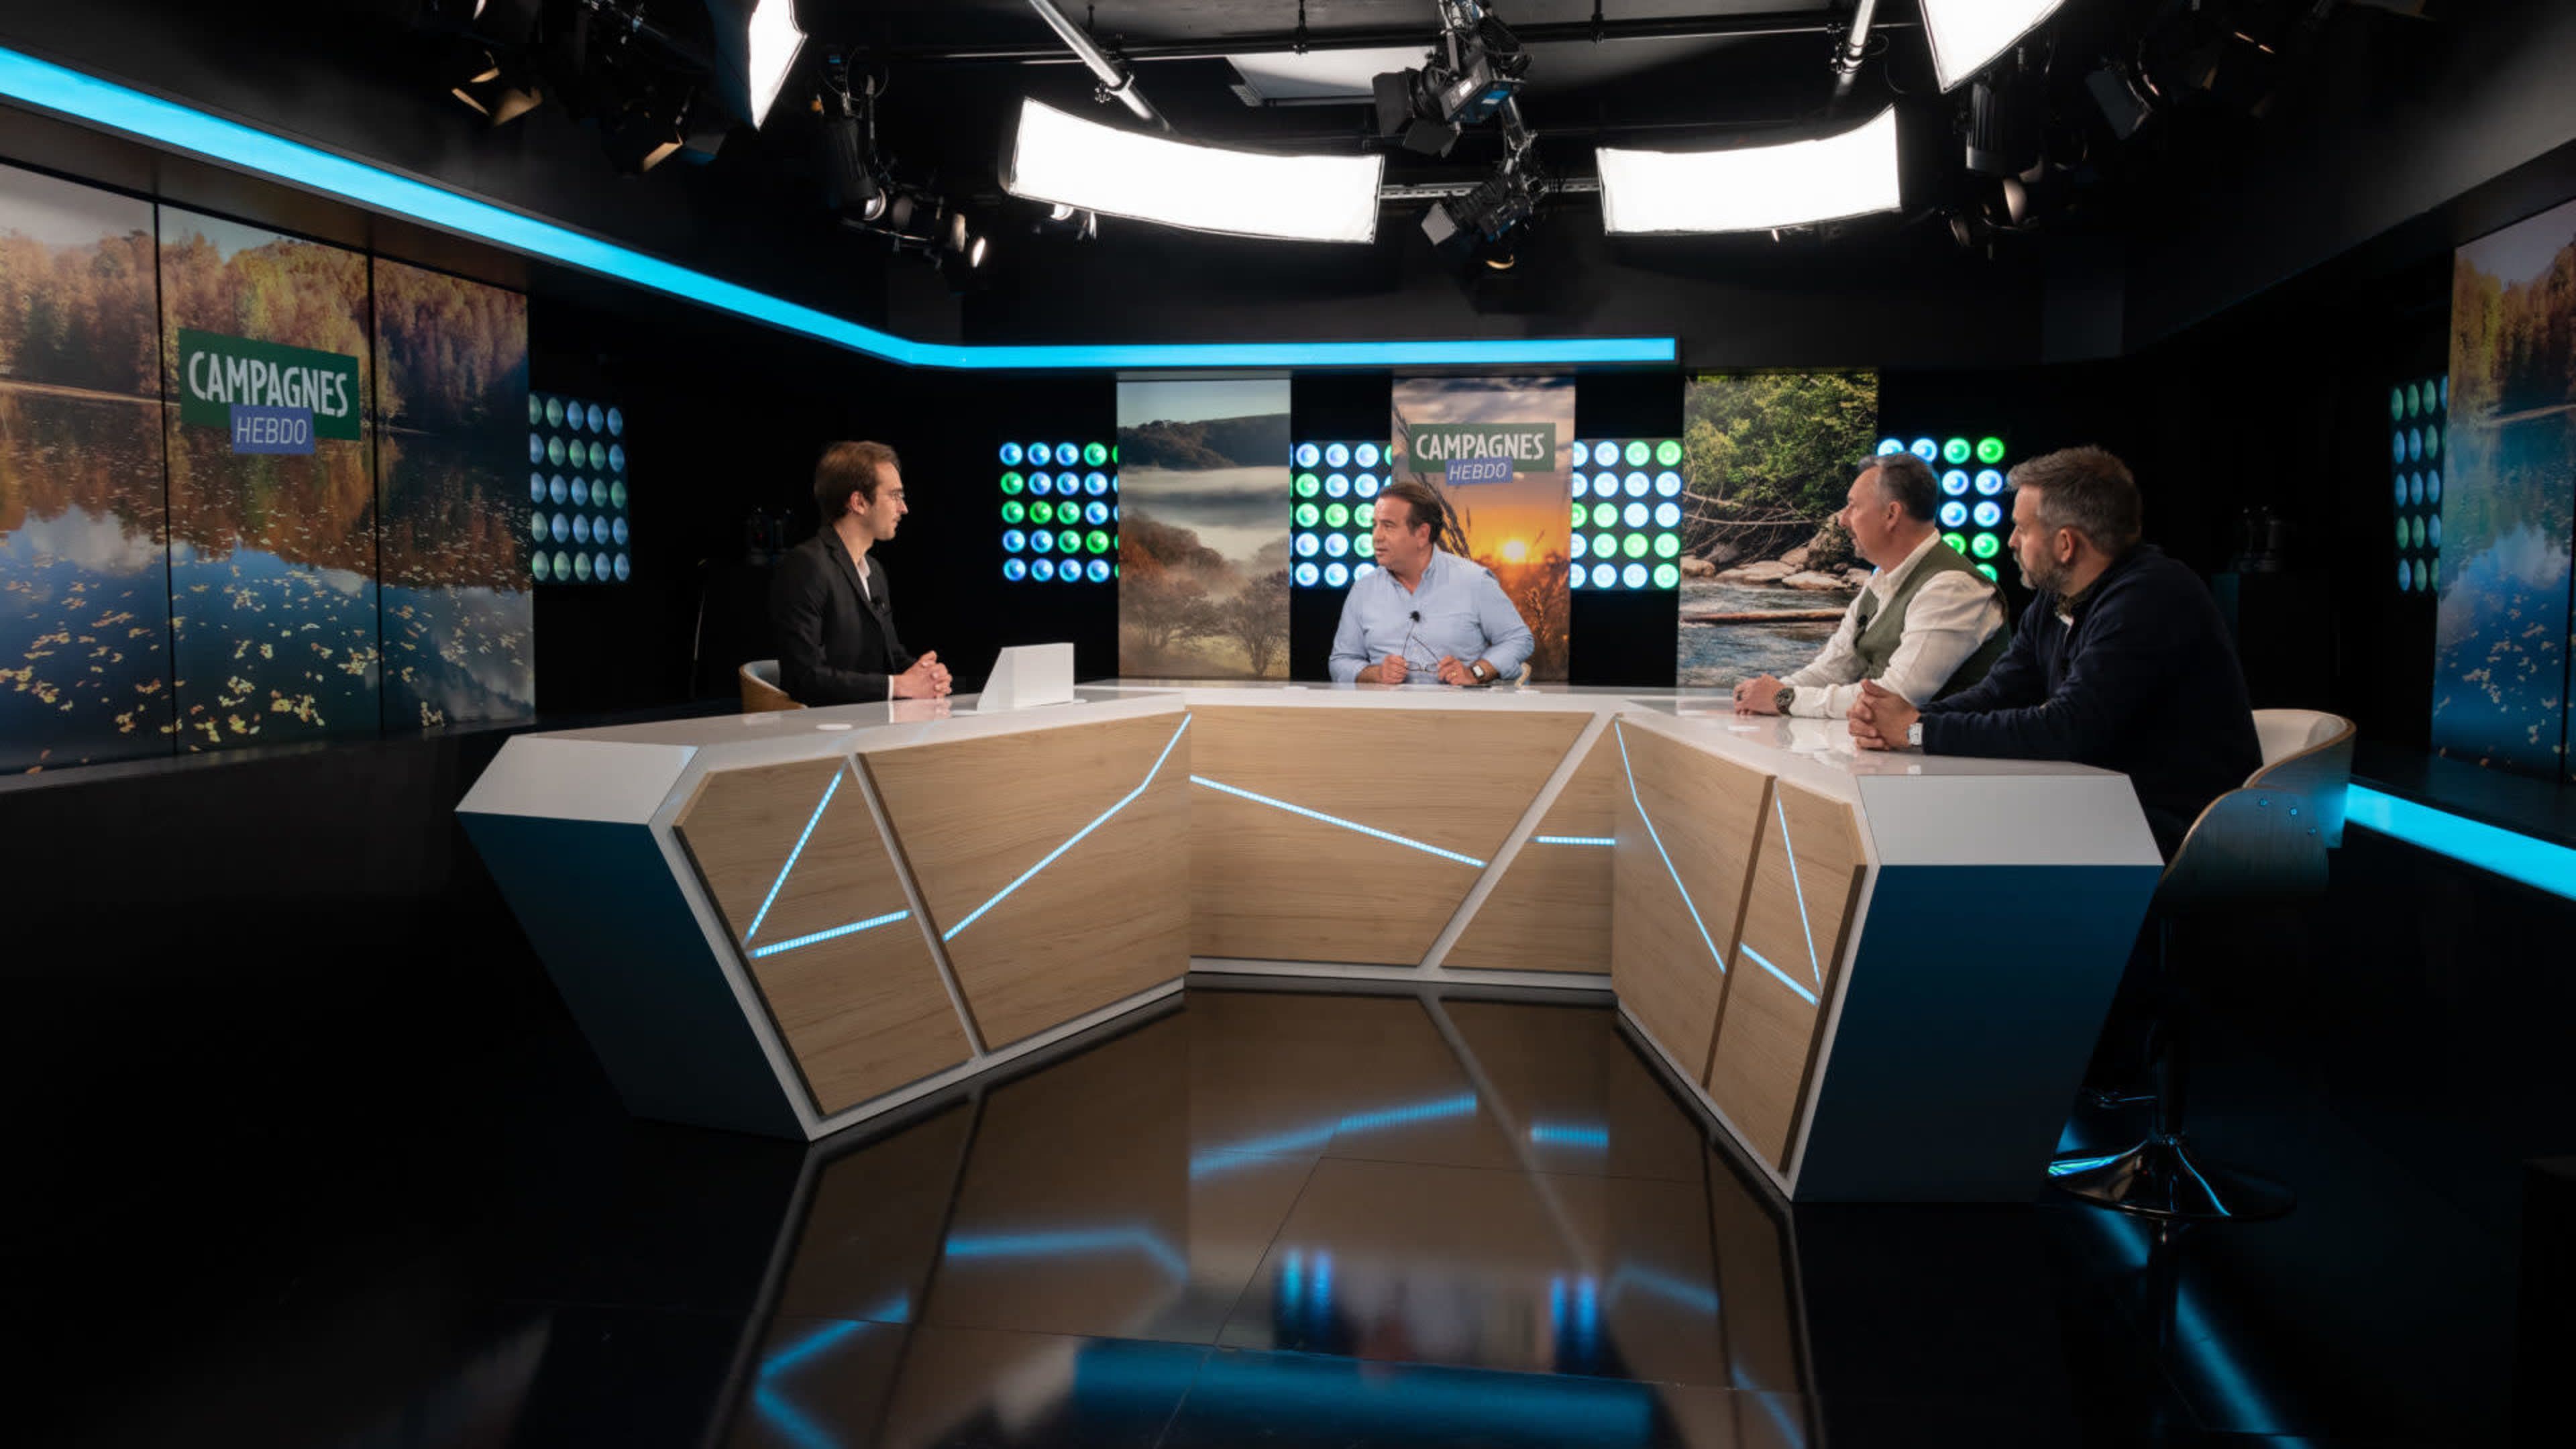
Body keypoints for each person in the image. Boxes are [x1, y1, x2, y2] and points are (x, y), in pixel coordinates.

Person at [1847, 445, 2259, 859]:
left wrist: (1917, 732)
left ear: (2066, 544)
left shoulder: (2151, 597)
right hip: (2104, 804)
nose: (2010, 542)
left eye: (2022, 530)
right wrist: (1904, 721)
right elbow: (1998, 693)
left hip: (2180, 822)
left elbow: (2068, 729)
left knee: (1971, 837)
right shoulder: (2054, 600)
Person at [1731, 452, 2007, 718]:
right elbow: (1833, 668)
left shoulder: (1953, 588)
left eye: (1853, 506)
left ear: (1891, 514)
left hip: (1942, 762)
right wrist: (1769, 691)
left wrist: (1784, 699)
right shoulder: (1882, 579)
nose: (1843, 519)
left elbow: (1894, 698)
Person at [770, 440, 951, 704]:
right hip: (823, 733)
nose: (904, 508)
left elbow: (890, 655)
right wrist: (898, 686)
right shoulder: (805, 566)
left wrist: (927, 676)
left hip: (869, 723)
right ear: (859, 502)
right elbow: (804, 678)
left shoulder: (874, 571)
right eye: (895, 496)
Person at [1328, 478, 1535, 686]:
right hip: (1386, 715)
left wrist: (1475, 672)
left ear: (1422, 534)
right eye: (1375, 525)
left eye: (1388, 526)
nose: (1376, 536)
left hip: (1459, 714)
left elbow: (1518, 640)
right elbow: (1340, 662)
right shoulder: (1363, 590)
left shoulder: (1474, 581)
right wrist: (1376, 673)